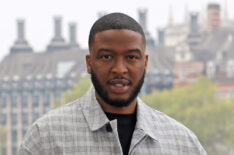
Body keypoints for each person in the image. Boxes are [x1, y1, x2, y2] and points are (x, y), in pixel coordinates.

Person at [18, 13, 207, 155]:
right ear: (89, 63)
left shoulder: (183, 143)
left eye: (131, 57)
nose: (119, 69)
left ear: (145, 63)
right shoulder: (45, 137)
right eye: (106, 57)